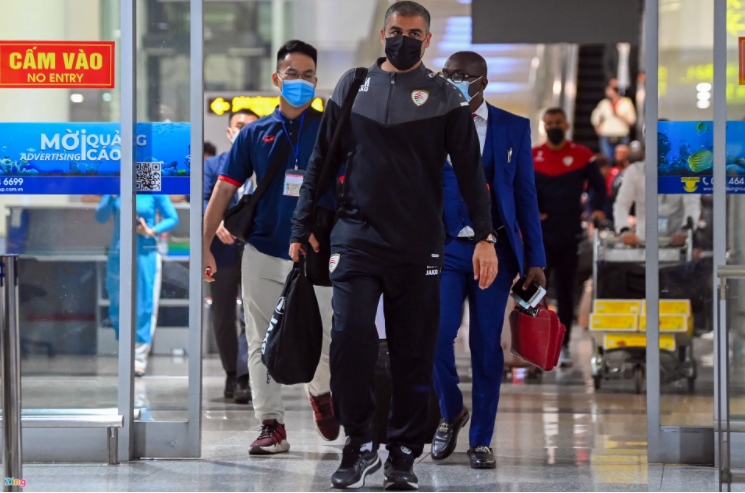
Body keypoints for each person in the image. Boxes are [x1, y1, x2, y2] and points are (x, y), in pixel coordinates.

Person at [290, 2, 498, 490]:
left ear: (428, 40)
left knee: (412, 352)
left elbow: (471, 174)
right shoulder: (353, 84)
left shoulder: (446, 95)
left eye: (414, 32)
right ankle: (360, 442)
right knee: (350, 342)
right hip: (356, 238)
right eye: (397, 31)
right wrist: (302, 226)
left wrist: (485, 237)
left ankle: (402, 453)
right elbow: (322, 158)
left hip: (419, 244)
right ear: (383, 33)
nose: (404, 38)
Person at [202, 40, 339, 455]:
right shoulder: (254, 134)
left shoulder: (331, 128)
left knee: (326, 337)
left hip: (316, 254)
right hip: (261, 251)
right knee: (261, 339)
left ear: (317, 80)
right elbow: (223, 194)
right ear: (277, 79)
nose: (301, 81)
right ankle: (271, 424)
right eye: (293, 74)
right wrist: (205, 244)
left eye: (309, 74)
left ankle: (320, 392)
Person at [431, 51, 546, 470]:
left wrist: (535, 257)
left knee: (485, 345)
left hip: (494, 252)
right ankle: (451, 411)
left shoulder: (513, 128)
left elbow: (526, 196)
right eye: (449, 74)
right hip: (441, 248)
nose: (455, 80)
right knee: (434, 338)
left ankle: (481, 439)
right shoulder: (430, 122)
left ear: (483, 81)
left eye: (464, 76)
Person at [533, 108, 606, 367]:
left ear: (567, 124)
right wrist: (529, 215)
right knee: (534, 292)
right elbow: (519, 190)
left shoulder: (582, 156)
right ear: (543, 126)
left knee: (565, 292)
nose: (554, 126)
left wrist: (595, 211)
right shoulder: (533, 157)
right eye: (549, 123)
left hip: (568, 234)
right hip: (538, 237)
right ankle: (533, 345)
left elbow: (599, 187)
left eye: (558, 122)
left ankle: (562, 347)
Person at [204, 109, 259, 403]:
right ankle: (230, 373)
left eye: (252, 126)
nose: (245, 130)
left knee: (251, 314)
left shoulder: (267, 164)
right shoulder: (213, 165)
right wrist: (216, 223)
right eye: (240, 126)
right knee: (223, 315)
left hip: (257, 247)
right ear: (229, 132)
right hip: (222, 251)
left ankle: (244, 375)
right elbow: (201, 198)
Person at [96, 195, 179, 377]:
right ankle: (126, 353)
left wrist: (152, 231)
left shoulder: (151, 186)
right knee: (117, 304)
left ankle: (139, 358)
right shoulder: (117, 186)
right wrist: (110, 195)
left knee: (144, 304)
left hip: (145, 253)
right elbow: (100, 216)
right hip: (119, 253)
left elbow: (173, 217)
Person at [613, 146, 701, 248]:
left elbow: (692, 204)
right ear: (645, 154)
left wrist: (686, 231)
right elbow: (622, 204)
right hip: (643, 241)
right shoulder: (634, 171)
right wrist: (624, 229)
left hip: (676, 241)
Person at [591, 78, 637, 160]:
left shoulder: (626, 102)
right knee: (608, 160)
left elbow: (632, 121)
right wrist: (598, 129)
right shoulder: (604, 103)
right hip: (606, 136)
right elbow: (595, 118)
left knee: (623, 161)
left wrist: (619, 114)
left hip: (622, 136)